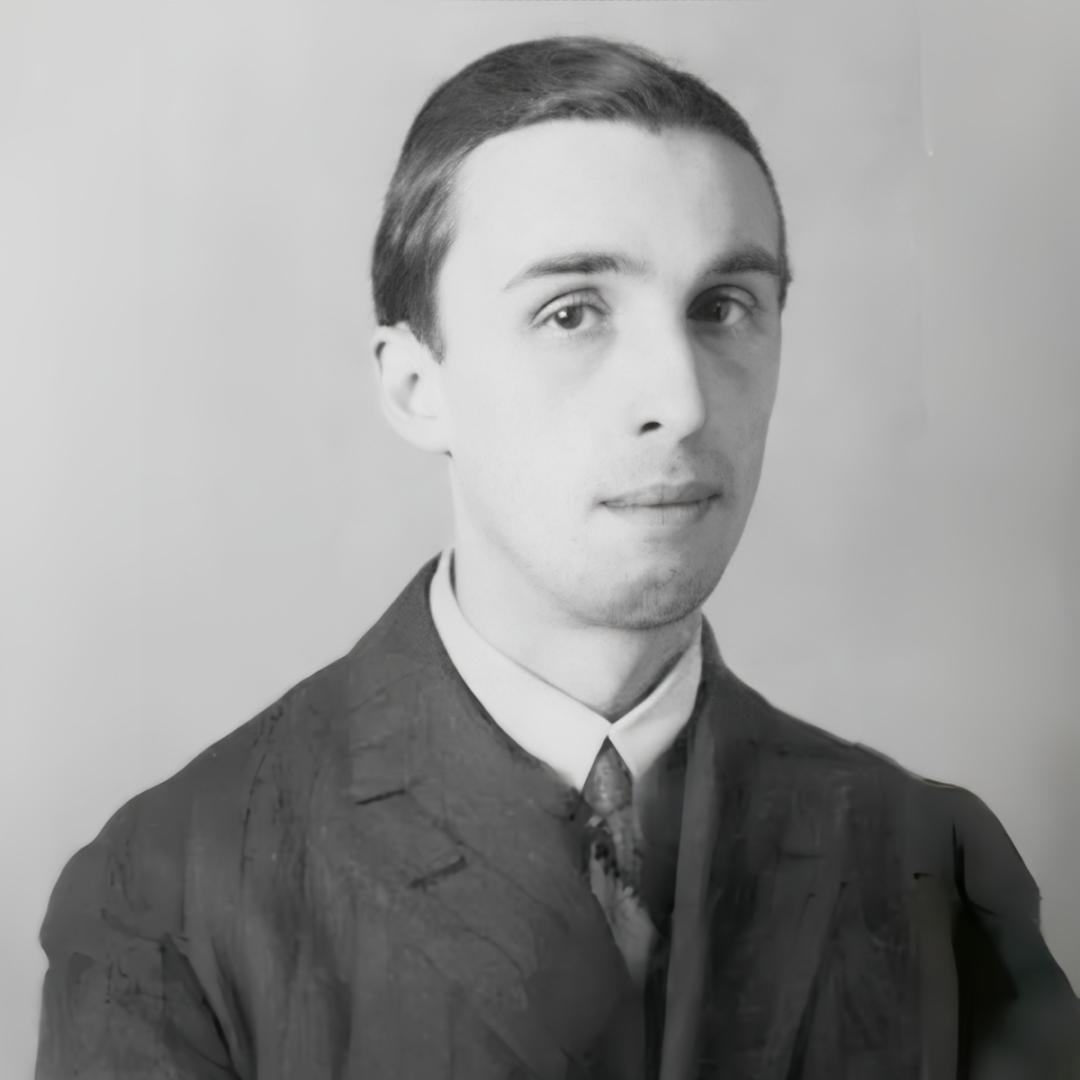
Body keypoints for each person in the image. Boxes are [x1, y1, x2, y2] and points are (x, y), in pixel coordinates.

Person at [34, 36, 1078, 1080]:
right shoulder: (168, 897)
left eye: (723, 308)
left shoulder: (932, 866)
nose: (681, 400)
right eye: (572, 312)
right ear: (416, 389)